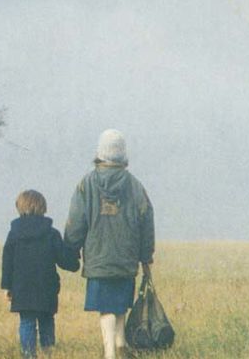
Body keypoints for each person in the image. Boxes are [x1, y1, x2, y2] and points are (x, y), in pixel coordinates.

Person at [64, 129, 155, 359]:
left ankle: (109, 352)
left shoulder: (86, 184)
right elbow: (146, 221)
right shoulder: (135, 186)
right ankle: (121, 343)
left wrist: (71, 250)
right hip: (126, 257)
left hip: (98, 257)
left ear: (100, 152)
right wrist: (146, 255)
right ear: (123, 154)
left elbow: (76, 221)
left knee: (106, 307)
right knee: (120, 304)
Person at [1, 190, 80, 358]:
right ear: (42, 207)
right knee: (47, 321)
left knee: (27, 322)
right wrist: (74, 259)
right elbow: (64, 260)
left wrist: (7, 286)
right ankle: (48, 353)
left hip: (21, 288)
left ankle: (28, 355)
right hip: (47, 287)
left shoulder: (14, 234)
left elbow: (7, 261)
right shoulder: (51, 233)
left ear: (20, 207)